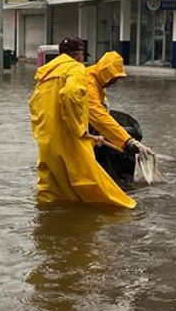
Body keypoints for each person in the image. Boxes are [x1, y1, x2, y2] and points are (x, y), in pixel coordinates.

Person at [29, 38, 136, 209]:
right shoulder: (76, 69)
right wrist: (80, 130)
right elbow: (71, 94)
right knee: (94, 186)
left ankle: (51, 227)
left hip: (46, 140)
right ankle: (128, 213)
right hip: (69, 140)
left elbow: (35, 105)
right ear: (79, 55)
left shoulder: (45, 75)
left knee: (51, 192)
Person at [85, 51, 153, 157]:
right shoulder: (89, 84)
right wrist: (127, 141)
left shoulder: (96, 79)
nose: (114, 82)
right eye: (113, 78)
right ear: (106, 73)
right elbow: (98, 116)